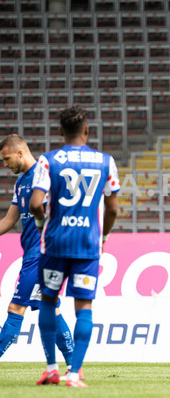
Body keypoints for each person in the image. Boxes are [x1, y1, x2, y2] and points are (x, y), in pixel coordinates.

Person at [30, 106, 119, 388]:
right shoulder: (105, 161)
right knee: (84, 307)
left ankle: (51, 369)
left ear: (60, 130)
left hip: (55, 243)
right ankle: (74, 373)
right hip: (87, 245)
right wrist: (103, 237)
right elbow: (113, 209)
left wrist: (42, 222)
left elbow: (35, 204)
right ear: (87, 130)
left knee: (48, 300)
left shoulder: (48, 160)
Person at [0, 135, 76, 374]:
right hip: (33, 254)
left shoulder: (46, 175)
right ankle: (74, 365)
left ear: (20, 153)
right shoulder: (21, 182)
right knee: (50, 309)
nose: (5, 165)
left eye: (6, 159)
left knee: (16, 308)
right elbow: (9, 221)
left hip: (41, 254)